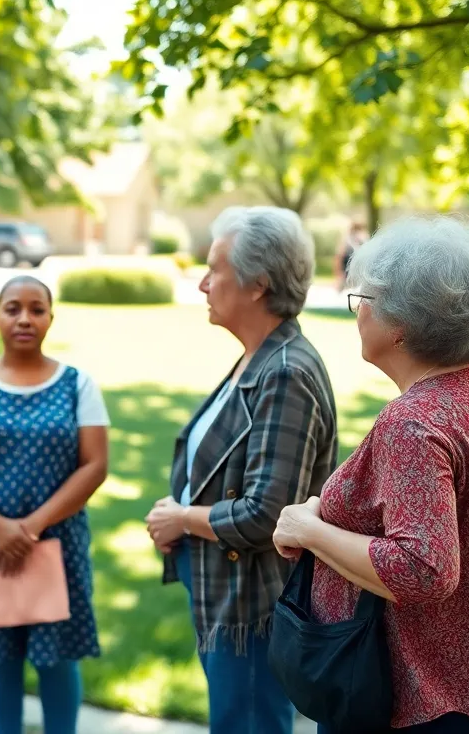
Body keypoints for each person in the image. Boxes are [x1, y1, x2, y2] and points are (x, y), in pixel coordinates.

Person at [273, 217, 469, 733]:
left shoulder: (415, 421)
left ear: (403, 323)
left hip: (421, 701)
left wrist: (308, 530)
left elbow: (422, 570)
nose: (360, 313)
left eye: (365, 300)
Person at [144, 206, 339, 734]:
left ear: (257, 284)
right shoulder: (257, 358)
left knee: (248, 721)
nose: (204, 283)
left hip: (252, 604)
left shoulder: (285, 373)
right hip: (221, 586)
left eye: (215, 269)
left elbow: (268, 515)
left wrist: (182, 518)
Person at [0, 275, 109, 734]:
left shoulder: (77, 384)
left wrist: (30, 526)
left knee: (56, 661)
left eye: (37, 309)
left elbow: (94, 466)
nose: (24, 318)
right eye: (13, 308)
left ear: (50, 318)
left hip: (56, 545)